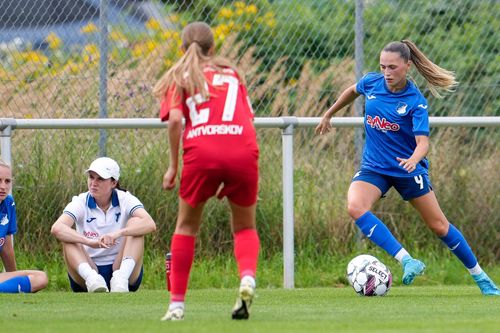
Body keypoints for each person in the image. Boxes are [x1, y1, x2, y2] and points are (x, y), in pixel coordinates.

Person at [316, 40, 499, 296]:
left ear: (407, 66)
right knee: (355, 207)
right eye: (382, 67)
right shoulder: (372, 83)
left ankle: (481, 278)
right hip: (375, 167)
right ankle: (407, 261)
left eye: (392, 67)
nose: (387, 72)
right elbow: (352, 90)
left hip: (408, 169)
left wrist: (413, 159)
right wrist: (329, 113)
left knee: (439, 226)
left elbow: (423, 143)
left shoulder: (416, 101)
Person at [153, 21, 260, 320]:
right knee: (245, 227)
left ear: (182, 49)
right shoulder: (233, 73)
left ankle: (176, 306)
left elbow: (175, 121)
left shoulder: (180, 75)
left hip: (202, 149)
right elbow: (246, 116)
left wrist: (173, 167)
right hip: (243, 146)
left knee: (186, 227)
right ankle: (247, 277)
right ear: (213, 49)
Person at [51, 157, 156, 293]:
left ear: (113, 183)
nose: (93, 183)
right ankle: (92, 279)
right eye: (91, 177)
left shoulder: (125, 198)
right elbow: (57, 228)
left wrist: (118, 233)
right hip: (88, 270)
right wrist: (89, 242)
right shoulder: (80, 201)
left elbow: (150, 224)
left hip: (120, 267)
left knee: (136, 223)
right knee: (67, 235)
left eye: (100, 179)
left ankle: (121, 279)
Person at [0, 159, 48, 293]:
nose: (3, 186)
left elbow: (6, 247)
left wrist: (12, 276)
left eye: (7, 181)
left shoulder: (8, 204)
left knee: (41, 278)